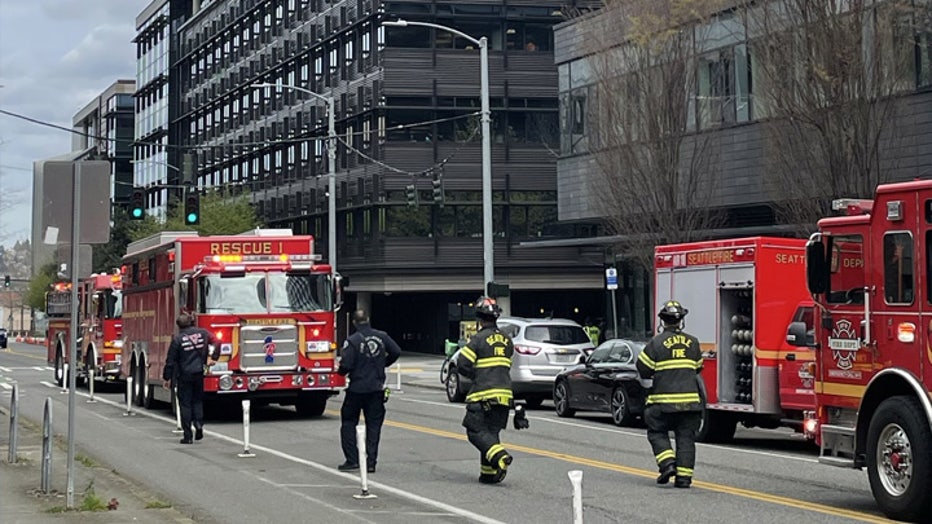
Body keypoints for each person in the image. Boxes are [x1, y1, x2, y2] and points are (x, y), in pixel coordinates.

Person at [456, 296, 528, 484]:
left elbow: (462, 363)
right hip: (504, 395)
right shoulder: (506, 340)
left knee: (475, 431)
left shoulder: (478, 339)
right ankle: (488, 474)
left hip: (482, 394)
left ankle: (500, 457)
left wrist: (475, 376)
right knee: (491, 433)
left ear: (479, 319)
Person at [636, 300, 704, 489]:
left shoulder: (656, 343)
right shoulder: (693, 342)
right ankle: (684, 478)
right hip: (691, 403)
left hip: (662, 403)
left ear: (662, 321)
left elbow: (643, 369)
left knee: (656, 431)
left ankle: (667, 464)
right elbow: (698, 367)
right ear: (681, 321)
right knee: (686, 438)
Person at [336, 309, 401, 473]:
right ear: (368, 319)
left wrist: (340, 371)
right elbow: (396, 351)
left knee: (349, 423)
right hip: (376, 389)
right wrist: (383, 363)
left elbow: (347, 365)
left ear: (354, 323)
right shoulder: (382, 336)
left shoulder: (352, 341)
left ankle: (352, 459)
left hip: (356, 389)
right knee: (374, 426)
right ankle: (371, 462)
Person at [162, 313, 220, 444]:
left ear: (179, 326)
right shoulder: (203, 333)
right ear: (192, 322)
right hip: (199, 372)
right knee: (197, 400)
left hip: (184, 375)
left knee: (185, 404)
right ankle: (199, 424)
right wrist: (214, 357)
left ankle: (188, 436)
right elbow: (217, 341)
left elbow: (170, 361)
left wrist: (166, 378)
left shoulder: (178, 340)